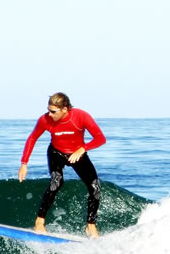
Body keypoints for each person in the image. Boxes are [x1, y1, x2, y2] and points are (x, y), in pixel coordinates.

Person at [18, 93, 106, 238]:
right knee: (56, 181)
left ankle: (91, 224)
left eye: (53, 111)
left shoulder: (81, 116)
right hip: (56, 152)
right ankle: (39, 222)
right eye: (48, 110)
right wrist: (24, 163)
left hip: (77, 153)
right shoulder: (45, 119)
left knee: (95, 186)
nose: (49, 114)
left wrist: (82, 149)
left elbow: (100, 138)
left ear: (64, 109)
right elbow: (32, 138)